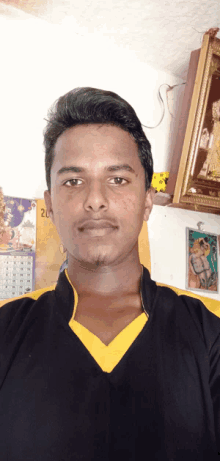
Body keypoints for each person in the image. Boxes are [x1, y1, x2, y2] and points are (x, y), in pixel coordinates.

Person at [0, 87, 219, 461]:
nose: (95, 199)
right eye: (73, 180)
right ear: (50, 203)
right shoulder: (6, 330)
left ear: (147, 199)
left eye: (117, 179)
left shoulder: (209, 332)